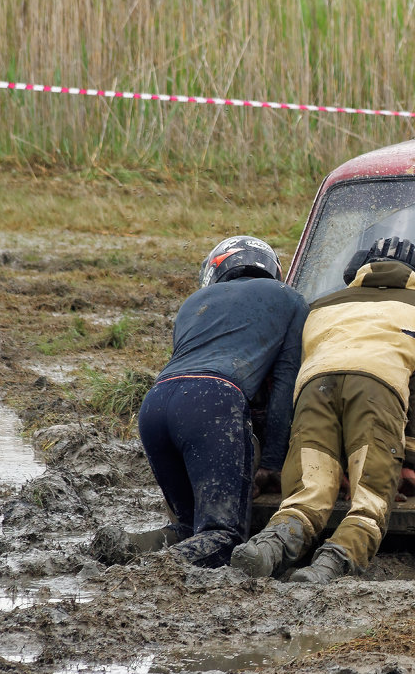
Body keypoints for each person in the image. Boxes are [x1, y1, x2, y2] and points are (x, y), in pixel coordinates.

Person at [231, 236, 415, 584]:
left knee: (308, 493)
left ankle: (268, 550)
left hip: (314, 389)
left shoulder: (322, 304)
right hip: (376, 390)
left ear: (357, 270)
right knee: (371, 501)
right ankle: (329, 566)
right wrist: (413, 456)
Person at [92, 236, 308, 568]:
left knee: (190, 525)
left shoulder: (193, 303)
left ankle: (129, 549)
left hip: (156, 403)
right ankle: (152, 570)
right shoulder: (289, 298)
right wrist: (273, 463)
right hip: (212, 401)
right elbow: (284, 385)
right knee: (223, 536)